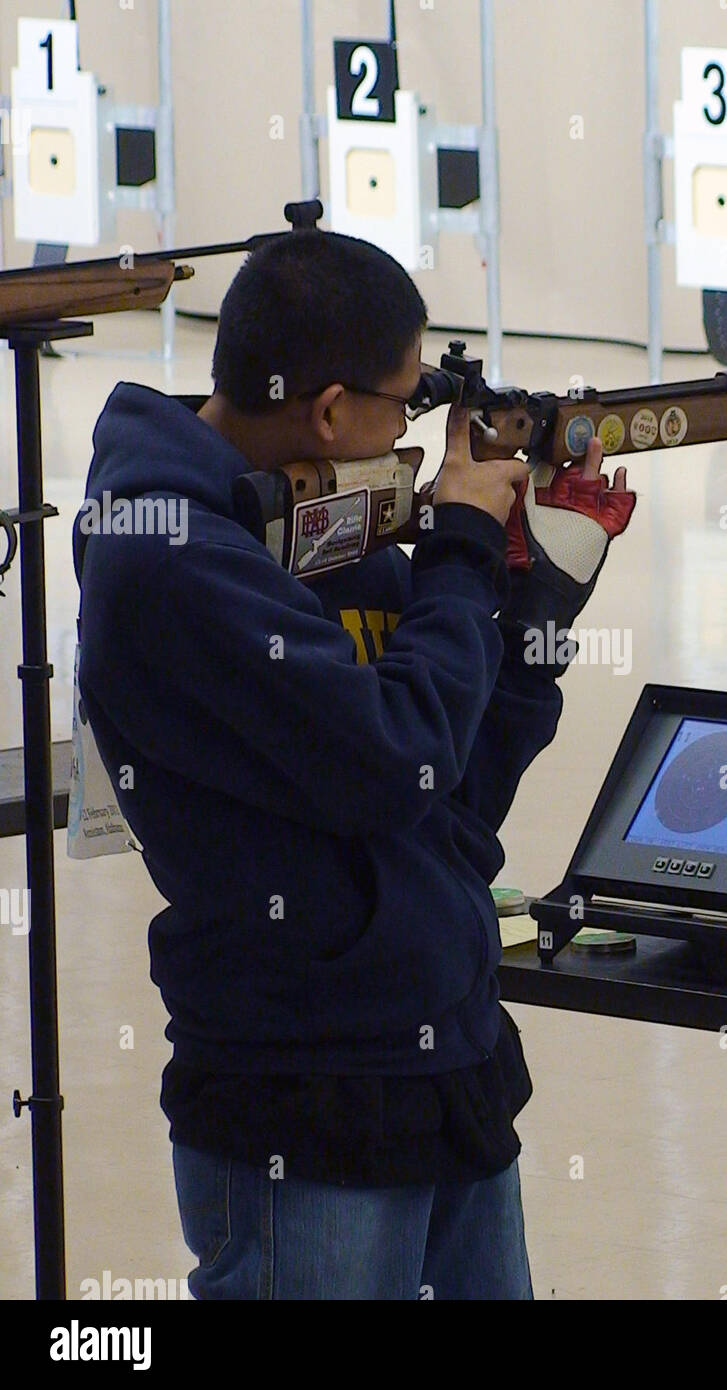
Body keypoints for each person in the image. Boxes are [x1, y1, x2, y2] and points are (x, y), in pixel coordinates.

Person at [72, 228, 636, 1299]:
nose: (416, 426)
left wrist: (535, 603)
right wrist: (463, 551)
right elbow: (395, 758)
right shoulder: (169, 560)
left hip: (444, 1063)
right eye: (405, 400)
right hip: (304, 1088)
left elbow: (455, 800)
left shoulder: (334, 525)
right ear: (329, 411)